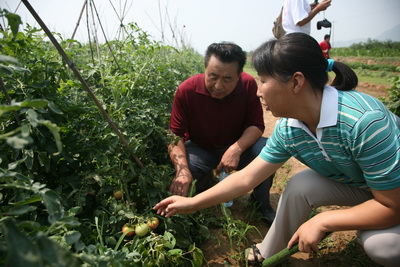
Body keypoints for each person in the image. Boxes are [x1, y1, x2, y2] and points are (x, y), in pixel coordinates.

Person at [154, 33, 400, 266]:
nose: (258, 91)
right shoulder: (290, 128)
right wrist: (193, 202)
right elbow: (246, 177)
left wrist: (325, 220)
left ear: (296, 82)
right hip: (368, 186)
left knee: (382, 245)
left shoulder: (364, 123)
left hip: (392, 196)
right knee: (300, 186)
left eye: (262, 81)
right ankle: (269, 251)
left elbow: (392, 205)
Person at [167, 42, 276, 223]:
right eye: (213, 76)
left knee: (267, 151)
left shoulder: (248, 85)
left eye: (227, 79)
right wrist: (182, 171)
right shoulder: (187, 90)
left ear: (239, 75)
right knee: (190, 168)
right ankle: (204, 192)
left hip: (237, 143)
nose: (218, 86)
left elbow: (256, 125)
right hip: (201, 148)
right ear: (205, 70)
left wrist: (236, 149)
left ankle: (260, 203)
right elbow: (174, 136)